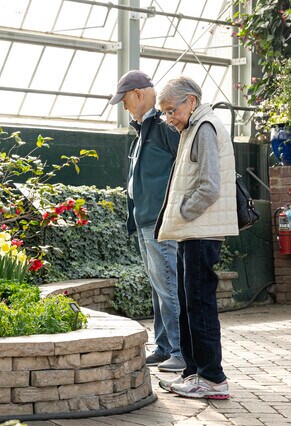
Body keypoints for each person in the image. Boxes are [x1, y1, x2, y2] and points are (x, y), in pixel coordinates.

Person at [154, 76, 238, 399]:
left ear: (190, 101)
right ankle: (193, 373)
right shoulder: (193, 127)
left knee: (199, 303)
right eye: (164, 112)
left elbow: (210, 186)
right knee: (190, 301)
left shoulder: (204, 127)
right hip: (193, 231)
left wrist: (185, 212)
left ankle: (212, 378)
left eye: (170, 110)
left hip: (201, 230)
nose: (168, 118)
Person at [109, 70, 184, 373]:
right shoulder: (144, 129)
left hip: (161, 221)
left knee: (168, 286)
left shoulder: (165, 125)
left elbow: (183, 167)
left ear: (139, 94)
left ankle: (181, 351)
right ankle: (165, 347)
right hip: (145, 221)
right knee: (158, 286)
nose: (124, 107)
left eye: (125, 101)